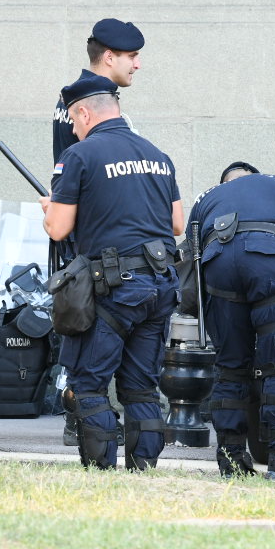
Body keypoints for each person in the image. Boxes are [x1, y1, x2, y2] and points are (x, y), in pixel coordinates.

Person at [41, 73, 183, 471]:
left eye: (72, 119)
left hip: (114, 290)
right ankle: (143, 469)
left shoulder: (80, 156)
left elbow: (58, 228)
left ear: (85, 112)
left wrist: (51, 205)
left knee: (88, 384)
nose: (71, 126)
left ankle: (101, 471)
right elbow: (175, 223)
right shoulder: (157, 154)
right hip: (159, 285)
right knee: (141, 386)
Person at [187, 162, 275, 482]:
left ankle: (231, 461)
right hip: (268, 255)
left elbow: (191, 263)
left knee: (230, 366)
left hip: (218, 263)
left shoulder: (207, 197)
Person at [52, 18, 144, 163]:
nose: (138, 65)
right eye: (132, 56)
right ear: (109, 58)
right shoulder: (95, 102)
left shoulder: (74, 95)